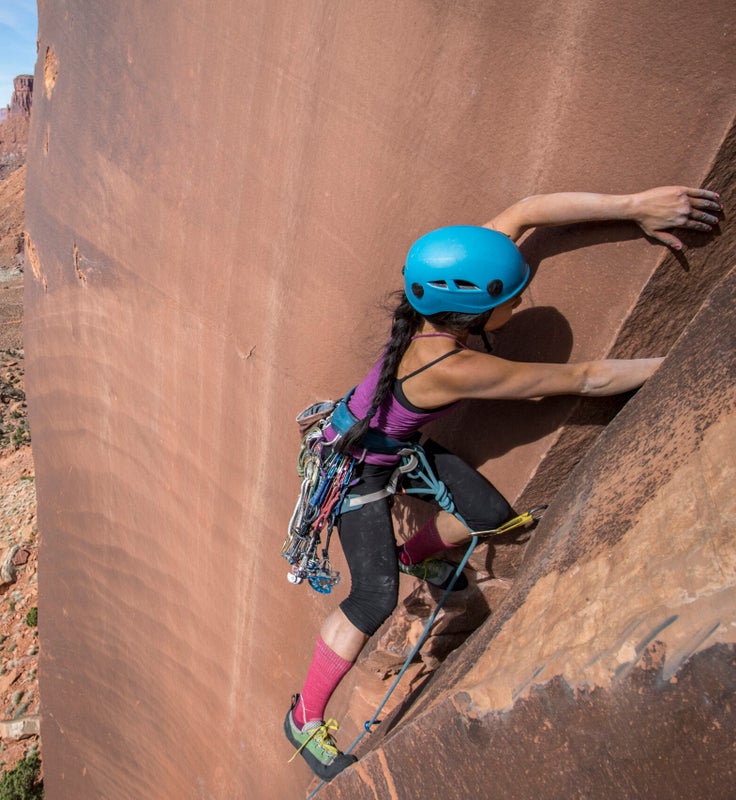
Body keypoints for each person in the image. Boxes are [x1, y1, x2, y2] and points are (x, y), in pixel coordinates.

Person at [284, 185, 723, 780]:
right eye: (513, 297)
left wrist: (636, 207)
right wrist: (696, 357)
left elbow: (526, 214)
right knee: (373, 598)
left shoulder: (432, 290)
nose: (520, 299)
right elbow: (587, 379)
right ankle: (305, 717)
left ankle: (417, 555)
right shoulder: (455, 365)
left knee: (490, 516)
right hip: (355, 474)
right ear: (474, 313)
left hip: (387, 448)